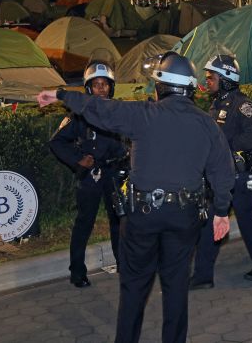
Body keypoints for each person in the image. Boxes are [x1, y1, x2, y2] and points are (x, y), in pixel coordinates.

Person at [37, 51, 235, 343]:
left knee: (133, 288)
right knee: (176, 287)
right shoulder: (207, 124)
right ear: (190, 88)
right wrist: (220, 212)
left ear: (161, 86)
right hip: (185, 218)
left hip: (143, 217)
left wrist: (61, 95)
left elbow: (102, 110)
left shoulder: (143, 114)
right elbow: (223, 171)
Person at [190, 55, 252, 289]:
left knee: (247, 221)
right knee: (209, 223)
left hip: (241, 176)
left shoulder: (242, 104)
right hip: (220, 177)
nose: (207, 81)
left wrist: (224, 147)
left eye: (211, 77)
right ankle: (203, 275)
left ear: (226, 78)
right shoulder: (216, 104)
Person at [49, 62, 127, 288]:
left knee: (119, 221)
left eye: (105, 84)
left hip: (115, 173)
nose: (101, 89)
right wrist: (77, 160)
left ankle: (123, 264)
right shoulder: (80, 115)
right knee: (85, 222)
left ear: (111, 87)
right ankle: (77, 271)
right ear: (88, 88)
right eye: (96, 85)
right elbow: (57, 141)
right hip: (92, 175)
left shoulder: (119, 111)